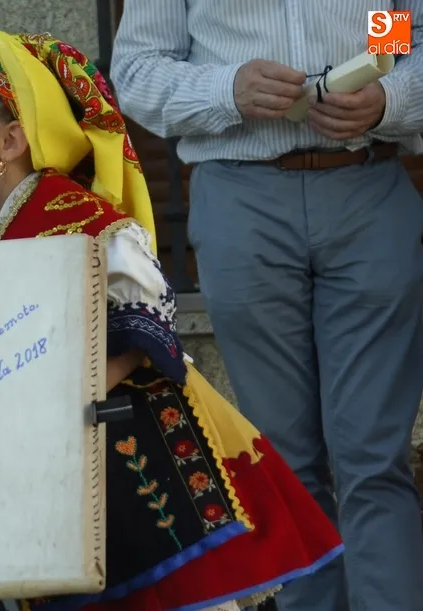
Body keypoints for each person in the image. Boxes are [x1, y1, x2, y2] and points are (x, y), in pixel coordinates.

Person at [0, 20, 344, 611]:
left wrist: (383, 91)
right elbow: (142, 67)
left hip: (126, 420)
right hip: (33, 439)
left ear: (12, 138)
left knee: (360, 456)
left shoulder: (82, 220)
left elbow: (144, 322)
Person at [109, 3, 423, 610]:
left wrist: (390, 98)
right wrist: (227, 88)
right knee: (280, 454)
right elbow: (139, 72)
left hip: (369, 187)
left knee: (373, 457)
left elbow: (404, 43)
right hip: (240, 196)